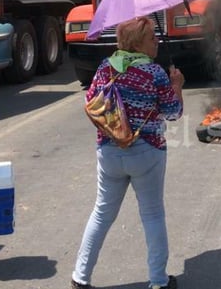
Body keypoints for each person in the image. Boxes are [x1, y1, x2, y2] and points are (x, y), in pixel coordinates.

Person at [72, 17, 185, 289]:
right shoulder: (155, 73)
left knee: (101, 214)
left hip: (109, 151)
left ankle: (80, 277)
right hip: (147, 152)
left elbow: (91, 104)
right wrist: (177, 86)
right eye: (151, 38)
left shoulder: (104, 68)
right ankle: (158, 281)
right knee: (153, 215)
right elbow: (173, 112)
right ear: (138, 43)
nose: (157, 41)